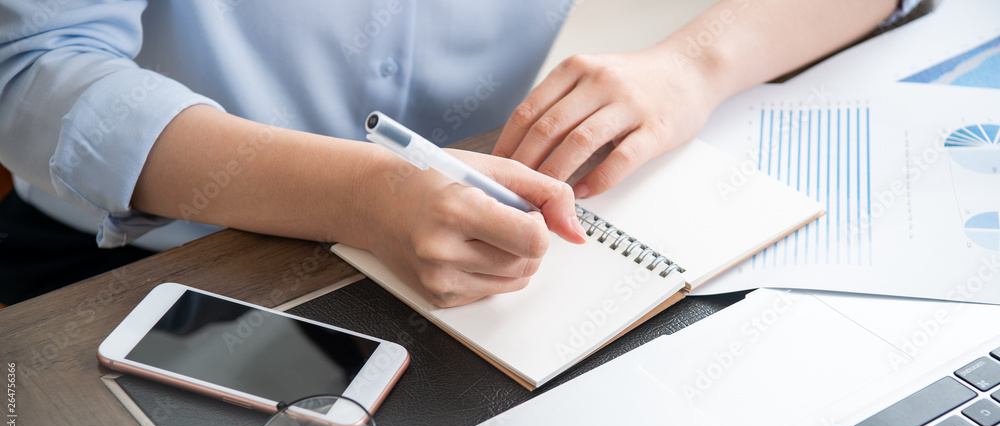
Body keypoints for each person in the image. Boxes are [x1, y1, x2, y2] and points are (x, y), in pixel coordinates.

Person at [0, 0, 919, 306]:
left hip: (493, 231)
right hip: (132, 265)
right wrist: (360, 195)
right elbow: (34, 67)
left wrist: (691, 66)